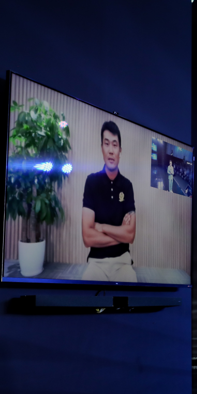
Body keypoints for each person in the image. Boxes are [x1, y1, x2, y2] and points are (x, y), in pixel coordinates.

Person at [81, 121, 137, 282]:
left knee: (132, 289)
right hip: (96, 263)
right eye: (107, 144)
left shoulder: (127, 186)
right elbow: (87, 238)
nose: (111, 150)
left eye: (115, 144)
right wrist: (120, 235)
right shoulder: (91, 182)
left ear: (120, 150)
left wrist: (101, 227)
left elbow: (130, 235)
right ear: (101, 148)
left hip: (123, 262)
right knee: (86, 290)